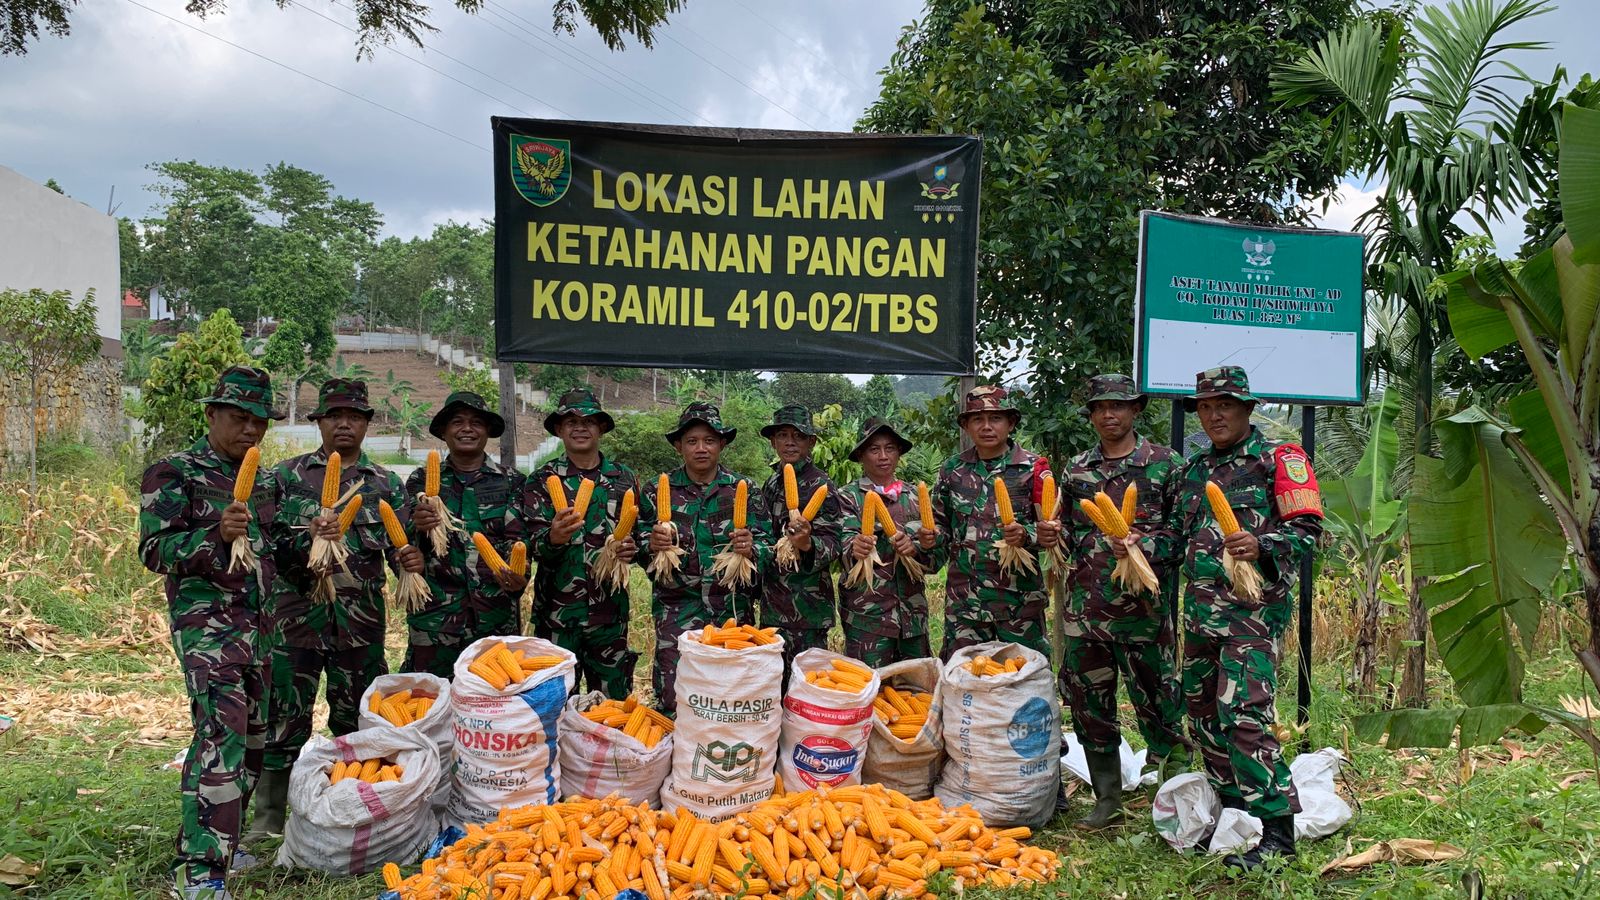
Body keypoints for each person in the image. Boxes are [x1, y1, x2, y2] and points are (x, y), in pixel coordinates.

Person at [1151, 366, 1323, 869]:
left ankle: (1277, 835)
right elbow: (1176, 539)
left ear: (1248, 408)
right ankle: (1231, 813)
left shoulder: (1280, 460)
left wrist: (1262, 543)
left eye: (1225, 404)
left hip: (1251, 616)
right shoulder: (1193, 470)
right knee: (1203, 713)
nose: (1214, 414)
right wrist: (1131, 547)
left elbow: (1310, 531)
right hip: (1201, 616)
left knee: (1245, 717)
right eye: (1205, 406)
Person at [251, 379, 422, 840]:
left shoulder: (385, 484)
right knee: (284, 716)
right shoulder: (283, 478)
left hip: (360, 626)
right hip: (296, 620)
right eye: (334, 416)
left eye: (355, 416)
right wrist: (307, 538)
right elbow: (265, 547)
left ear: (366, 424)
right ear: (320, 422)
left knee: (356, 721)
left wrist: (410, 560)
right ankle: (268, 816)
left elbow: (399, 549)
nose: (344, 423)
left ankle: (350, 808)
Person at [139, 366, 283, 899]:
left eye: (259, 422)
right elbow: (155, 550)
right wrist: (214, 535)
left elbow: (276, 552)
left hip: (261, 630)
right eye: (239, 419)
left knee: (252, 742)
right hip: (208, 629)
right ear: (212, 415)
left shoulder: (264, 480)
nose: (250, 431)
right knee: (220, 738)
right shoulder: (174, 473)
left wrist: (316, 537)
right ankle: (198, 872)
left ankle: (227, 839)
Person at [1060, 374, 1189, 829]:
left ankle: (1179, 799)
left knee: (1161, 706)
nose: (1109, 415)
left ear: (1136, 410)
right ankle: (1107, 799)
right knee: (1090, 707)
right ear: (1092, 415)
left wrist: (1144, 545)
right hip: (1086, 614)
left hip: (1144, 616)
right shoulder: (1076, 470)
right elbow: (1069, 538)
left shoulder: (1165, 464)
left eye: (1119, 406)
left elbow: (1183, 534)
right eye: (1100, 408)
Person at [638, 401, 772, 709]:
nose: (701, 448)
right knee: (676, 699)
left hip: (731, 612)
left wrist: (752, 547)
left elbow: (769, 544)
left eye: (709, 440)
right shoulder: (657, 490)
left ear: (722, 444)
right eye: (692, 441)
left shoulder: (744, 488)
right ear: (678, 447)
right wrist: (652, 544)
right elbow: (634, 546)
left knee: (731, 700)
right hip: (676, 612)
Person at [524, 388, 642, 699]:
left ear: (601, 428)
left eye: (589, 421)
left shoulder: (624, 478)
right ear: (559, 430)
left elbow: (643, 536)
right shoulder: (540, 480)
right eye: (571, 421)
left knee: (613, 706)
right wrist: (553, 538)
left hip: (609, 617)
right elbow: (529, 546)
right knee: (556, 704)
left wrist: (633, 549)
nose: (580, 427)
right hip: (557, 617)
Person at [402, 391, 526, 678]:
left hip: (495, 619)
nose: (467, 429)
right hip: (435, 621)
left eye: (476, 423)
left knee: (493, 708)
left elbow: (520, 540)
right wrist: (416, 525)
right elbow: (404, 546)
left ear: (487, 432)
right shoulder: (420, 480)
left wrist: (519, 576)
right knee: (432, 705)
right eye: (457, 422)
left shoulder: (512, 482)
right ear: (444, 432)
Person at [932, 385, 1058, 658]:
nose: (986, 426)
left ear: (1010, 423)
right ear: (966, 425)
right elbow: (940, 525)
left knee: (1025, 684)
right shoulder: (952, 470)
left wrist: (1027, 535)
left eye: (996, 419)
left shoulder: (1034, 469)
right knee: (962, 683)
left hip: (1018, 604)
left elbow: (1054, 529)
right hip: (966, 605)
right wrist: (928, 537)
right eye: (978, 419)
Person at [838, 418, 941, 666]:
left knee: (916, 696)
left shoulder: (918, 497)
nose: (883, 456)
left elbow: (937, 559)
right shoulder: (846, 497)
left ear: (899, 454)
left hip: (913, 620)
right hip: (868, 621)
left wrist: (920, 548)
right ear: (861, 456)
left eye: (890, 448)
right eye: (874, 449)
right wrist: (854, 548)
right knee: (870, 693)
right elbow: (836, 547)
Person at [757, 404, 846, 669]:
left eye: (798, 436)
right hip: (773, 603)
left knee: (805, 684)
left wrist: (807, 544)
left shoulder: (822, 485)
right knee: (774, 682)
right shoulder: (771, 484)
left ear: (811, 442)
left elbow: (834, 542)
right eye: (783, 435)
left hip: (808, 608)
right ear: (773, 442)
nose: (790, 443)